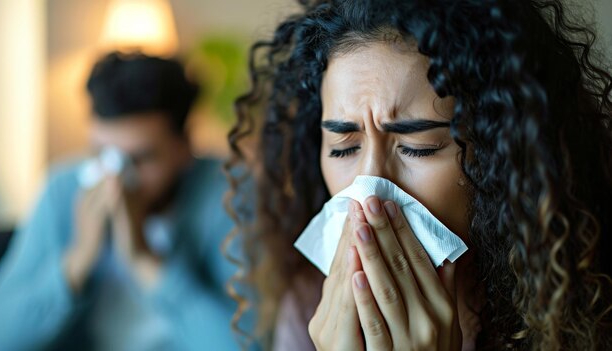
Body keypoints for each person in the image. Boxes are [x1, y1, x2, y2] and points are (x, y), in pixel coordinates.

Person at [226, 0, 612, 350]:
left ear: (504, 152)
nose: (369, 192)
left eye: (419, 147)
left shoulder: (587, 306)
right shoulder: (310, 310)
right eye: (344, 148)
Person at [0, 53, 239, 350]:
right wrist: (77, 262)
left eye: (140, 158)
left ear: (183, 146)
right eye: (100, 154)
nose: (116, 179)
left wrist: (145, 263)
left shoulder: (229, 195)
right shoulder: (63, 190)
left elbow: (246, 345)